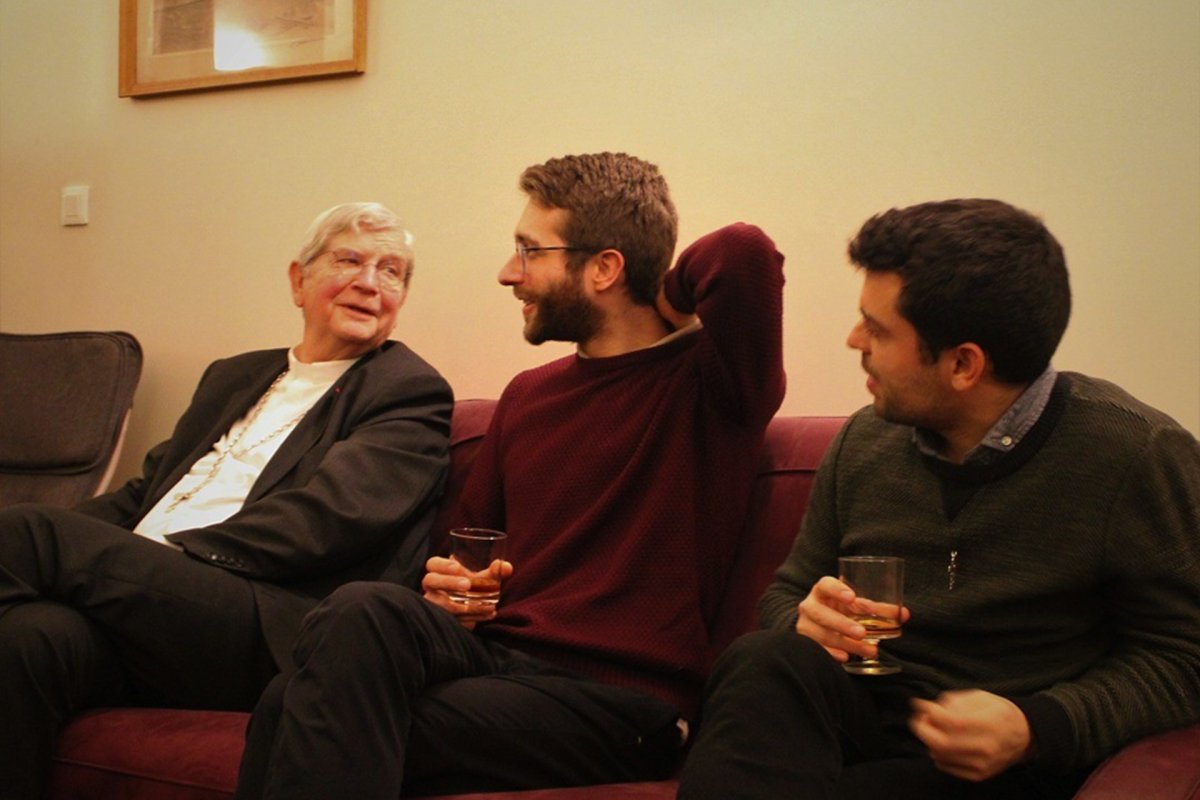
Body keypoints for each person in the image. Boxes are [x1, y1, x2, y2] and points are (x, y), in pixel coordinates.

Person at [233, 152, 787, 799]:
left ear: (606, 267)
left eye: (529, 251)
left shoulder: (711, 385)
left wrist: (662, 294)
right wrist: (450, 582)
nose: (508, 274)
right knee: (361, 609)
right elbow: (467, 552)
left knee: (291, 709)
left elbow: (743, 252)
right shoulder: (527, 396)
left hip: (621, 700)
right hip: (498, 660)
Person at [676, 198, 1200, 800]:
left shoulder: (1135, 454)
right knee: (762, 659)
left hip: (1003, 763)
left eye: (877, 329)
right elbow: (788, 591)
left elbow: (1184, 656)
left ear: (963, 364)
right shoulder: (865, 441)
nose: (853, 341)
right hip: (858, 726)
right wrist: (804, 619)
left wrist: (1039, 724)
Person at [0, 202, 453, 799]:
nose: (370, 283)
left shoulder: (408, 391)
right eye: (349, 260)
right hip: (152, 611)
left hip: (260, 619)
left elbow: (327, 520)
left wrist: (157, 561)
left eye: (392, 271)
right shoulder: (233, 376)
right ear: (299, 280)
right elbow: (143, 496)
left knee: (32, 533)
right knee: (29, 638)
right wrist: (104, 549)